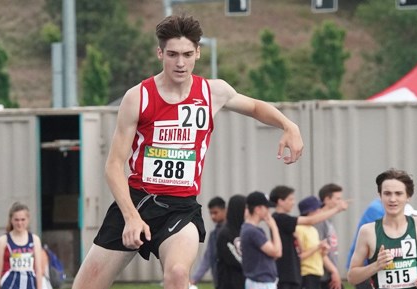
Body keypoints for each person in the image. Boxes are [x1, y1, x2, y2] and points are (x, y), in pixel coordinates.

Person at [71, 14, 303, 289]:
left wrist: (289, 125)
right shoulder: (138, 97)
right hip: (137, 201)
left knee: (178, 274)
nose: (180, 63)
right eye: (172, 54)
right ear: (160, 53)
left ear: (198, 53)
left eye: (187, 54)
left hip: (181, 207)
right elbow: (113, 166)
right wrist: (131, 217)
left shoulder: (212, 92)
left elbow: (254, 107)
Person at [347, 168, 417, 289]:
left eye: (398, 193)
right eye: (387, 193)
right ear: (380, 196)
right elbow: (352, 277)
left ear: (408, 196)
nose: (392, 199)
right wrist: (376, 266)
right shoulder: (368, 231)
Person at [269, 185, 348, 289]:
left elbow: (299, 249)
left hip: (294, 273)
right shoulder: (280, 218)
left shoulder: (291, 224)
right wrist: (337, 209)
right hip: (288, 273)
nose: (293, 202)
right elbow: (310, 220)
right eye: (290, 199)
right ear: (280, 201)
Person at [0, 202, 44, 289]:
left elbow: (38, 269)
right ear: (11, 220)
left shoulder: (35, 240)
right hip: (10, 284)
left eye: (23, 219)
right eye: (16, 220)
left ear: (28, 220)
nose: (19, 223)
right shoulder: (3, 240)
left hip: (30, 284)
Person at [241, 191, 281, 289]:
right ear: (258, 209)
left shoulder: (249, 229)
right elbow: (277, 252)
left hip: (258, 282)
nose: (268, 211)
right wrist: (274, 227)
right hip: (261, 283)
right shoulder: (252, 231)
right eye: (266, 208)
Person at [190, 196, 227, 288]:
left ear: (225, 210)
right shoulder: (214, 234)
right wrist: (194, 279)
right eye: (211, 213)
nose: (213, 216)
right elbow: (208, 258)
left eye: (215, 212)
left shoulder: (233, 231)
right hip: (219, 281)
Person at [315, 184, 346, 289]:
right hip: (322, 277)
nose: (340, 202)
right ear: (327, 199)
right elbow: (318, 248)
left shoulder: (328, 220)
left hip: (329, 275)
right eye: (338, 199)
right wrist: (334, 271)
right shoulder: (319, 220)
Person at [296, 196, 330, 289]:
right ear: (310, 211)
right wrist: (318, 246)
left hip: (316, 273)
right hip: (306, 274)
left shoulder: (313, 229)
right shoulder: (299, 229)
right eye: (318, 209)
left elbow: (316, 253)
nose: (321, 212)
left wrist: (323, 251)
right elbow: (300, 255)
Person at [216, 195, 247, 289]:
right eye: (245, 209)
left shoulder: (244, 230)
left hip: (244, 282)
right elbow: (236, 260)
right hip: (229, 283)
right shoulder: (225, 234)